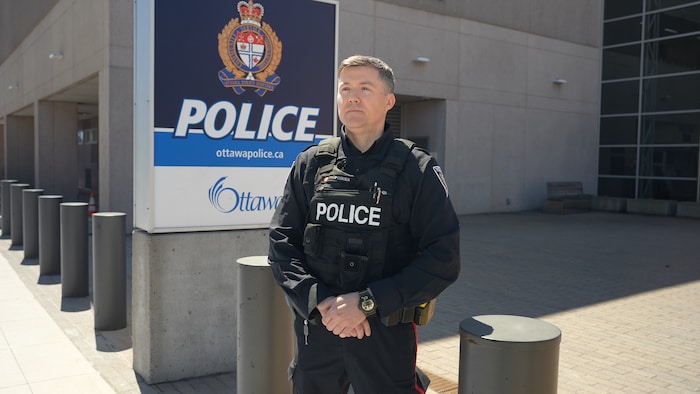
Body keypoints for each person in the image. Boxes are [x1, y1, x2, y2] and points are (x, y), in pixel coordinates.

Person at [268, 54, 461, 393]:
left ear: (389, 101)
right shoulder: (311, 165)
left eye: (365, 88)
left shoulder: (417, 170)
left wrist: (366, 303)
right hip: (319, 330)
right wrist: (320, 303)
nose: (352, 96)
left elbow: (443, 258)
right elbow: (282, 244)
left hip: (384, 334)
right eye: (345, 89)